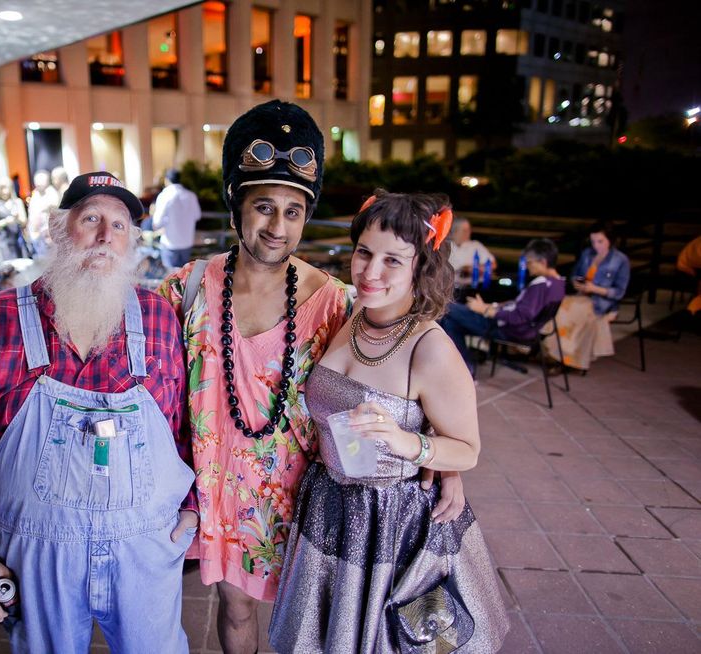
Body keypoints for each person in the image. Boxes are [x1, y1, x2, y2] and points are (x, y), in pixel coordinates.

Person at [158, 100, 465, 654]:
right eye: (264, 207)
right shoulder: (187, 290)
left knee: (320, 619)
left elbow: (396, 381)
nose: (278, 227)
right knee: (235, 611)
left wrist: (443, 464)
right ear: (236, 207)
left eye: (294, 211)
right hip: (223, 491)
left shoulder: (335, 300)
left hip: (315, 494)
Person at [0, 171, 199, 653]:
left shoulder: (159, 317)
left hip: (143, 545)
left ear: (133, 243)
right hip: (37, 552)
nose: (105, 237)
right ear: (58, 230)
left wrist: (192, 508)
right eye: (91, 219)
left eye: (120, 226)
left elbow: (185, 427)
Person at [270, 190, 508, 653]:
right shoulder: (353, 311)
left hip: (393, 521)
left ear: (422, 266)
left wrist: (413, 445)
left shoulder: (431, 348)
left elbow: (469, 447)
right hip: (329, 503)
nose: (370, 272)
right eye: (364, 253)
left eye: (393, 261)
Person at [440, 238, 565, 374]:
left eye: (529, 262)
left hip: (508, 330)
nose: (527, 266)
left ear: (543, 262)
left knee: (448, 309)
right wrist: (491, 305)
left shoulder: (540, 285)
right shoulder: (558, 284)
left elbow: (519, 315)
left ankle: (465, 368)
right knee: (451, 322)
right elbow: (519, 305)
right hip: (527, 330)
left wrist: (484, 310)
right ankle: (465, 368)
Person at [547, 221, 631, 371]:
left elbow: (619, 292)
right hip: (582, 296)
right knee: (557, 306)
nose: (596, 245)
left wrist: (595, 288)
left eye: (600, 241)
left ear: (610, 240)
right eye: (593, 241)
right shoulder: (587, 254)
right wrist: (577, 283)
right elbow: (575, 273)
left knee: (570, 313)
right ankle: (558, 353)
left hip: (601, 301)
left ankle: (565, 357)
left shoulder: (620, 260)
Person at [151, 168, 202, 269]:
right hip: (187, 243)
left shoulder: (164, 195)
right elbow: (197, 216)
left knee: (171, 279)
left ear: (167, 180)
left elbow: (156, 223)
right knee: (184, 277)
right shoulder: (191, 195)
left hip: (170, 244)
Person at [448, 216, 496, 286]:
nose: (468, 233)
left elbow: (493, 264)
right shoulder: (446, 246)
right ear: (455, 231)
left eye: (469, 230)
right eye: (464, 230)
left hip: (472, 286)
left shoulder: (475, 245)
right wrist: (462, 269)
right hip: (449, 285)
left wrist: (475, 268)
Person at [0, 179, 29, 259]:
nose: (5, 192)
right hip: (4, 243)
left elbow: (24, 221)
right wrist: (6, 221)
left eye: (7, 188)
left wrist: (17, 218)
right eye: (2, 189)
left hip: (18, 241)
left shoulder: (17, 202)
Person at [25, 169, 56, 259]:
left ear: (47, 181)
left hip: (47, 234)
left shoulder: (51, 193)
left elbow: (53, 208)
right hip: (36, 235)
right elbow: (32, 214)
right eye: (37, 181)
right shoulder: (35, 194)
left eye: (41, 180)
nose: (38, 183)